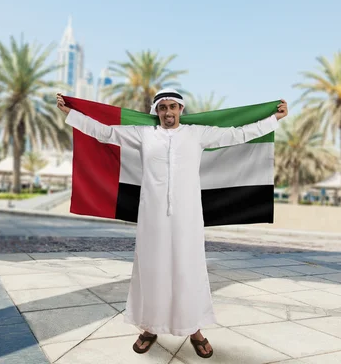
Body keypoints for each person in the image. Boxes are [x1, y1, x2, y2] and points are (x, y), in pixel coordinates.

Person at [56, 89, 287, 358]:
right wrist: (70, 113)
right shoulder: (144, 135)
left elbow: (237, 134)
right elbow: (105, 133)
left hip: (187, 218)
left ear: (181, 110)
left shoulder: (197, 134)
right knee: (151, 271)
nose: (168, 112)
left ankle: (194, 330)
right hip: (152, 217)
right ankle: (149, 328)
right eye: (163, 107)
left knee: (187, 271)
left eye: (173, 107)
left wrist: (274, 120)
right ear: (157, 111)